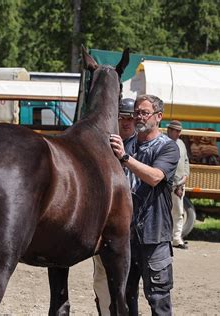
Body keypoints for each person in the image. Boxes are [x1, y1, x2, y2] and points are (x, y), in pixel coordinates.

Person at [110, 94, 179, 316]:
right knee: (125, 296)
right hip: (126, 236)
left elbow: (156, 177)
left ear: (158, 117)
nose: (139, 117)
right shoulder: (128, 144)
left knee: (158, 298)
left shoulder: (168, 147)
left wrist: (125, 158)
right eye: (136, 112)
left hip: (154, 235)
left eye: (144, 113)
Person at [93, 98, 136, 316]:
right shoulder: (104, 143)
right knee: (102, 278)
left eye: (130, 117)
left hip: (136, 223)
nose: (126, 122)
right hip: (109, 225)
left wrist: (125, 157)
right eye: (121, 117)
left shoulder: (141, 144)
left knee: (132, 283)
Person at [167, 120, 190, 249]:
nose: (178, 133)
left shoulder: (181, 143)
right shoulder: (163, 142)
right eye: (176, 130)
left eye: (179, 131)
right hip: (166, 184)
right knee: (164, 212)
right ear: (170, 130)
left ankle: (177, 238)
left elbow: (186, 160)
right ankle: (165, 238)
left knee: (178, 211)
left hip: (179, 184)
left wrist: (185, 175)